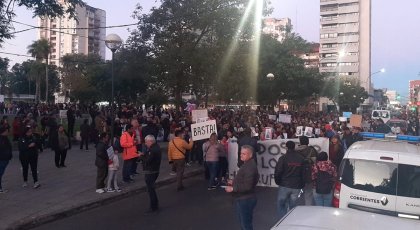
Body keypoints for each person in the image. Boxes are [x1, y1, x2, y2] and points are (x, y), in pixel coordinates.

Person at [225, 145, 259, 230]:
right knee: (244, 223)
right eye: (241, 153)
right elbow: (246, 180)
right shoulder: (248, 164)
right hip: (244, 199)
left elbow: (247, 186)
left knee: (246, 225)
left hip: (245, 200)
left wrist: (233, 188)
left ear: (250, 155)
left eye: (244, 154)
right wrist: (233, 182)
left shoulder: (249, 167)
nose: (241, 155)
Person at [274, 141, 305, 218]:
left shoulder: (283, 158)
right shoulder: (301, 158)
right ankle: (291, 220)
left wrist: (278, 182)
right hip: (296, 186)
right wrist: (302, 184)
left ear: (286, 148)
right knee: (293, 206)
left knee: (281, 205)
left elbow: (278, 171)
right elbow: (304, 173)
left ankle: (283, 222)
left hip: (284, 185)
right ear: (294, 147)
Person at [139, 135, 162, 213]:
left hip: (151, 171)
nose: (145, 144)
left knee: (151, 190)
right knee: (151, 189)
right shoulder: (156, 147)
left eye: (146, 142)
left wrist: (141, 156)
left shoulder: (152, 150)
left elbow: (148, 160)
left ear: (150, 141)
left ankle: (153, 206)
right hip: (155, 170)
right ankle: (155, 204)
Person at [296, 136, 318, 206]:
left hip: (297, 174)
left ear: (300, 142)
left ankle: (293, 209)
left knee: (295, 193)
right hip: (308, 174)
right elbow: (315, 162)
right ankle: (307, 208)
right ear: (307, 142)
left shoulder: (294, 150)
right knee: (308, 193)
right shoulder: (311, 150)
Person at [0, 127, 12, 193]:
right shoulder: (2, 139)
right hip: (2, 158)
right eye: (6, 131)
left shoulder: (5, 138)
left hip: (5, 158)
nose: (8, 132)